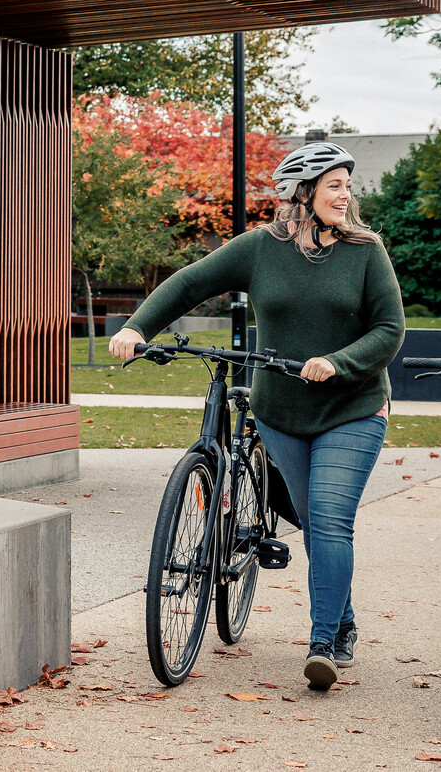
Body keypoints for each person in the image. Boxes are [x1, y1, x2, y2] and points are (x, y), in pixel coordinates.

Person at [111, 140, 406, 692]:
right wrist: (137, 326)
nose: (347, 195)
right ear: (304, 192)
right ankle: (342, 621)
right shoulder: (260, 248)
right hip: (279, 413)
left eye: (348, 184)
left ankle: (323, 645)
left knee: (329, 518)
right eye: (335, 184)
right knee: (313, 520)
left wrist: (337, 362)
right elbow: (190, 282)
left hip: (353, 408)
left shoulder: (367, 250)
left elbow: (389, 330)